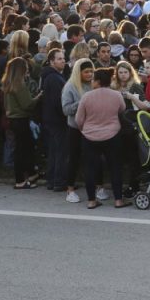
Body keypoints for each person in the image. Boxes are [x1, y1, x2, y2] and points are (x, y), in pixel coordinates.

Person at [75, 68, 129, 209]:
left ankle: (92, 200)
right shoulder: (116, 95)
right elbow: (122, 110)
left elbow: (78, 119)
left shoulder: (87, 97)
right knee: (115, 167)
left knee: (90, 169)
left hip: (90, 136)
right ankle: (118, 199)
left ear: (97, 81)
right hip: (112, 135)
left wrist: (84, 129)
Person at [59, 58, 95, 203]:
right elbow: (66, 109)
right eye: (86, 72)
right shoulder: (70, 87)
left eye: (92, 71)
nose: (90, 74)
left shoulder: (93, 84)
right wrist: (83, 101)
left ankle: (96, 187)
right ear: (78, 72)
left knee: (92, 159)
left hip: (92, 127)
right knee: (74, 158)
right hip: (75, 128)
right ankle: (70, 189)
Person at [2, 55, 41, 190]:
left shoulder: (8, 82)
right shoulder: (20, 84)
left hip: (13, 119)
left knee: (22, 148)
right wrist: (38, 97)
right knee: (23, 150)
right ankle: (20, 180)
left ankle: (30, 174)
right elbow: (27, 104)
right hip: (21, 118)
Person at [39, 48, 68, 189]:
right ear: (51, 61)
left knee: (54, 151)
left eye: (63, 58)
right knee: (59, 152)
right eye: (59, 59)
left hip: (50, 119)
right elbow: (58, 102)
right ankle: (58, 181)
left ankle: (52, 180)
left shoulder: (51, 76)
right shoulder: (54, 78)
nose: (63, 61)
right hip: (57, 120)